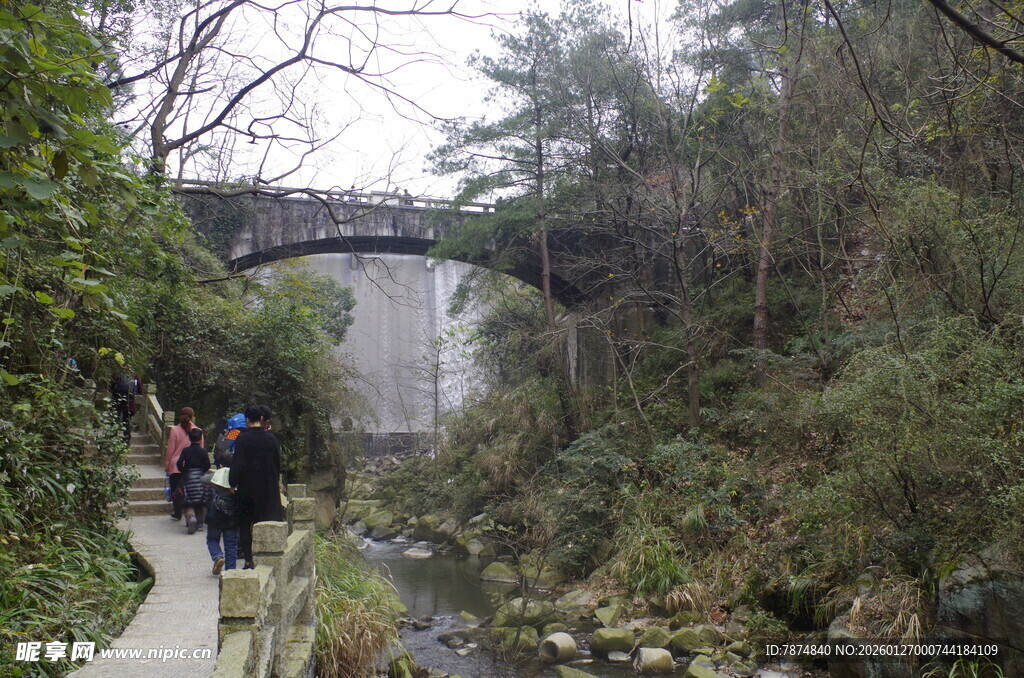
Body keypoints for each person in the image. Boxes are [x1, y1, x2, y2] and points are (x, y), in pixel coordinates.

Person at [229, 405, 283, 569]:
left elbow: (237, 463)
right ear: (262, 420)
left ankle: (248, 559)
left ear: (247, 420)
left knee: (245, 524)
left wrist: (233, 483)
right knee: (265, 520)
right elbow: (277, 464)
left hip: (246, 487)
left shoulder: (243, 439)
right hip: (267, 487)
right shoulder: (271, 439)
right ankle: (265, 558)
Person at [165, 407, 203, 521]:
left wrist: (167, 465)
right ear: (192, 417)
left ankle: (177, 512)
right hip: (191, 467)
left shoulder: (175, 430)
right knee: (189, 490)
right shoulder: (198, 431)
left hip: (175, 465)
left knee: (175, 490)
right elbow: (201, 449)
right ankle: (190, 515)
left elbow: (170, 450)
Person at [205, 457, 239, 574]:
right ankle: (230, 571)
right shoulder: (237, 476)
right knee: (231, 544)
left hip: (215, 514)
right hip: (232, 516)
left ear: (220, 465)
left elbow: (202, 479)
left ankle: (218, 556)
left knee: (212, 539)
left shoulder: (216, 475)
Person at [177, 427, 210, 534]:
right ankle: (200, 523)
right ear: (200, 439)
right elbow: (208, 465)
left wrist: (184, 471)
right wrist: (202, 472)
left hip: (188, 476)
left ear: (189, 438)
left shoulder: (185, 451)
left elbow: (179, 463)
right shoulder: (203, 451)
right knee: (199, 501)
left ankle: (191, 518)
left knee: (188, 501)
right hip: (200, 477)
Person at [110, 375, 141, 443]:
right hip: (129, 403)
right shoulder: (134, 375)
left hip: (117, 402)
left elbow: (111, 387)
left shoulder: (116, 374)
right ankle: (126, 442)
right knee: (126, 422)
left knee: (114, 421)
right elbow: (139, 389)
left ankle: (112, 441)